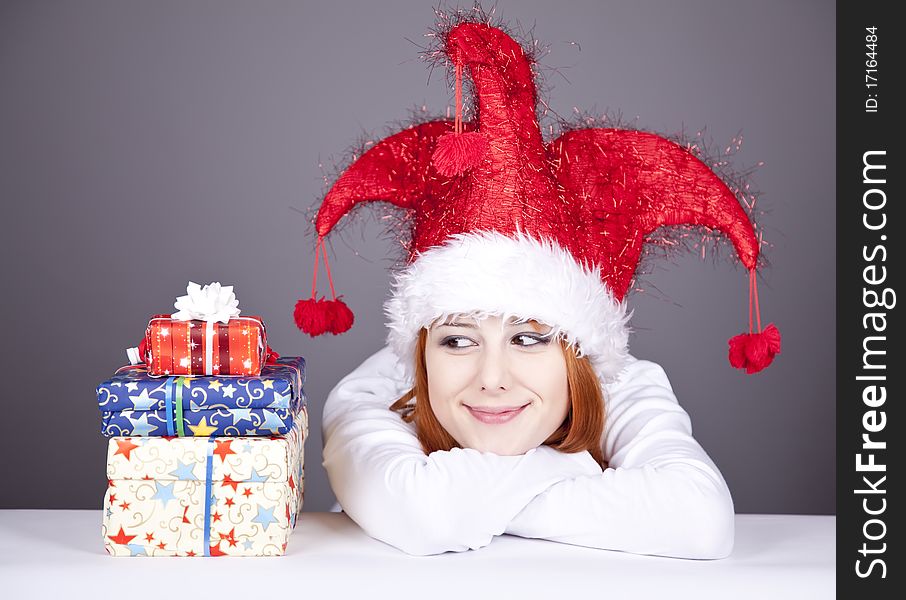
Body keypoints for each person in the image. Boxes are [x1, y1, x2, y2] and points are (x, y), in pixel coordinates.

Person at [296, 16, 780, 558]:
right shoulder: (376, 394)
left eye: (529, 339)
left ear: (580, 350)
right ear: (422, 347)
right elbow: (426, 515)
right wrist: (570, 466)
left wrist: (483, 500)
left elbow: (700, 520)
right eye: (457, 340)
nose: (492, 379)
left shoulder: (622, 386)